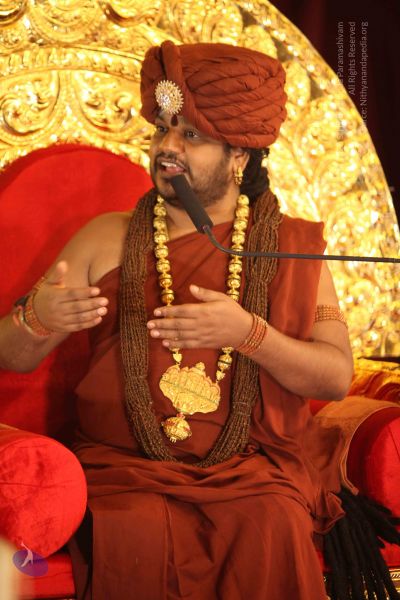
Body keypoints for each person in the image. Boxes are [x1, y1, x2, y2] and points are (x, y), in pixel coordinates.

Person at [0, 41, 354, 599]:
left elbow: (335, 376)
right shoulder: (106, 236)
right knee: (133, 532)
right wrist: (36, 320)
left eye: (190, 135)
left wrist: (249, 335)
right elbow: (11, 355)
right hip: (122, 470)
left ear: (239, 156)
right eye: (162, 130)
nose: (167, 147)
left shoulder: (289, 248)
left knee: (272, 524)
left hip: (249, 474)